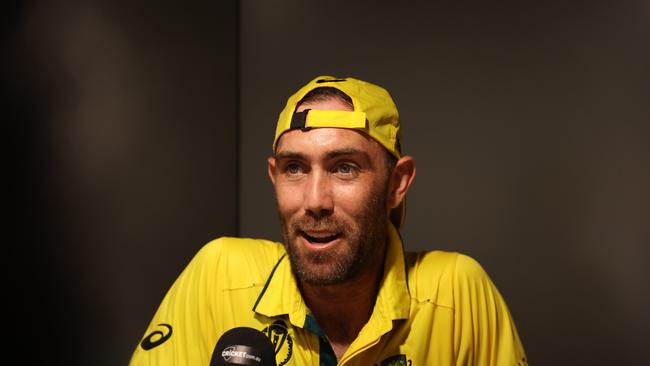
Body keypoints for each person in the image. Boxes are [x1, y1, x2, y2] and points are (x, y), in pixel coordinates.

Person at [130, 76, 528, 366]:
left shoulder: (456, 295)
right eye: (295, 168)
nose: (315, 202)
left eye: (344, 168)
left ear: (396, 184)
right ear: (274, 176)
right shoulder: (217, 278)